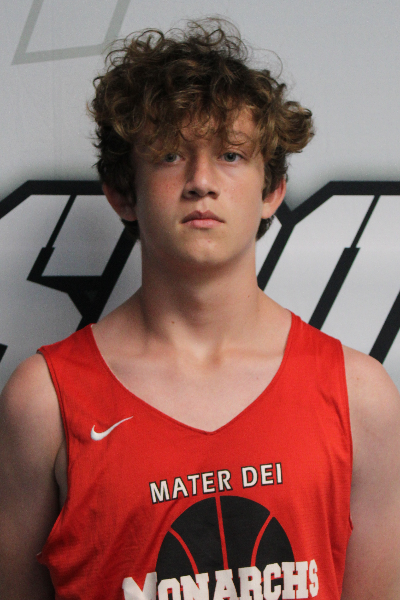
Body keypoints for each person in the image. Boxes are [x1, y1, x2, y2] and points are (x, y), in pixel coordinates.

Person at [0, 18, 399, 600]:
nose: (201, 182)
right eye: (169, 155)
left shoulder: (360, 396)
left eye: (231, 154)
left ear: (272, 191)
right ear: (122, 192)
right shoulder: (44, 400)